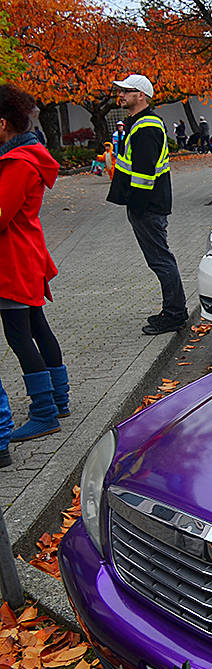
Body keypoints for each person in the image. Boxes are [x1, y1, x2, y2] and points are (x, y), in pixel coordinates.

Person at [0, 83, 70, 443]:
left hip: (13, 260)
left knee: (19, 334)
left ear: (2, 125)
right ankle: (59, 400)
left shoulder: (17, 163)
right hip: (26, 254)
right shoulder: (26, 158)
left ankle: (43, 412)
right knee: (36, 328)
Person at [107, 74, 187, 334]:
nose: (121, 95)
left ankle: (175, 314)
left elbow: (143, 174)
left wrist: (137, 206)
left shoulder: (146, 126)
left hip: (148, 207)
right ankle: (173, 311)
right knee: (160, 259)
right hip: (149, 205)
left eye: (126, 91)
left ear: (141, 95)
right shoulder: (140, 123)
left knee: (160, 260)